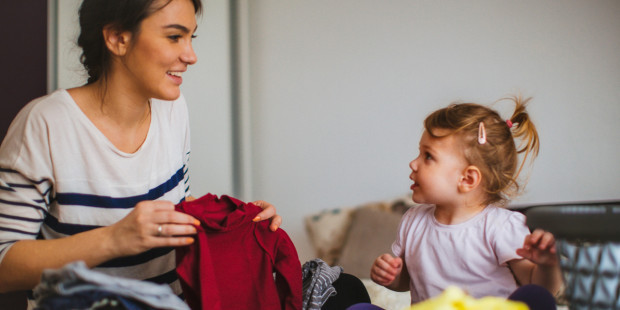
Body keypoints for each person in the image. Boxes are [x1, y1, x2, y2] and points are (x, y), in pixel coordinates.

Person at [0, 0, 281, 307]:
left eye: (191, 38)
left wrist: (236, 219)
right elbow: (3, 265)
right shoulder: (44, 125)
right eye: (174, 37)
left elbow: (175, 207)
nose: (191, 56)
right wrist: (114, 239)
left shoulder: (174, 110)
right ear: (118, 38)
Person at [369, 97, 563, 309]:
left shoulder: (500, 226)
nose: (413, 163)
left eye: (428, 156)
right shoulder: (412, 220)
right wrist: (391, 276)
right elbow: (406, 281)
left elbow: (539, 285)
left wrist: (547, 266)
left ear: (467, 179)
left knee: (536, 297)